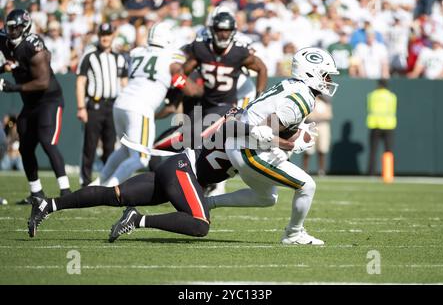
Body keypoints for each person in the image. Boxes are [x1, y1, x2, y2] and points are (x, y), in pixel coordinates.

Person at [26, 108, 288, 240]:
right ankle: (137, 220)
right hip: (184, 170)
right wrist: (284, 145)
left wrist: (285, 144)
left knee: (115, 194)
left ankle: (48, 204)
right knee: (199, 223)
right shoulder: (244, 128)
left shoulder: (251, 132)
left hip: (176, 169)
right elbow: (238, 135)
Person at [208, 47, 341, 245]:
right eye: (325, 75)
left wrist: (296, 131)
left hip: (241, 143)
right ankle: (294, 234)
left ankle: (207, 202)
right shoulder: (302, 99)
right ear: (310, 73)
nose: (328, 80)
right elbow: (263, 132)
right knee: (307, 185)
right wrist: (291, 144)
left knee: (266, 198)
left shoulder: (292, 85)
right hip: (248, 148)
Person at [91, 22, 198, 187]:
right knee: (141, 158)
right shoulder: (171, 57)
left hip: (121, 103)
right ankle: (107, 189)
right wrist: (196, 89)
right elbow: (186, 86)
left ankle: (98, 182)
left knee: (125, 150)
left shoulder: (137, 52)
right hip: (140, 107)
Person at [0, 9, 71, 203]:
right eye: (9, 28)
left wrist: (12, 87)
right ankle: (36, 193)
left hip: (49, 100)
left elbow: (43, 82)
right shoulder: (5, 41)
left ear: (25, 27)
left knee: (47, 142)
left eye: (16, 28)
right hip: (30, 103)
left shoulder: (33, 46)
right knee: (25, 147)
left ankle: (66, 191)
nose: (11, 32)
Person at [182, 11, 267, 149]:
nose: (223, 34)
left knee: (198, 140)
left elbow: (261, 68)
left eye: (227, 31)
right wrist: (180, 87)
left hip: (227, 105)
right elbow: (182, 73)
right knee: (187, 137)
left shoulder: (239, 51)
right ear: (212, 31)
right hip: (204, 102)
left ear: (233, 32)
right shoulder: (201, 48)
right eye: (220, 30)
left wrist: (260, 95)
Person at [76, 23, 129, 187]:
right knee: (90, 145)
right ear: (98, 36)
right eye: (102, 35)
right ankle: (85, 181)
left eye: (108, 34)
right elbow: (80, 82)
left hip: (113, 105)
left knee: (109, 145)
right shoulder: (90, 56)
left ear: (113, 36)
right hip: (95, 104)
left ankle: (108, 181)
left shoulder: (119, 58)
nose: (105, 38)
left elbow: (124, 83)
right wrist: (81, 107)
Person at [366, 79, 397, 176]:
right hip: (388, 125)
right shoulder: (391, 96)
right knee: (388, 151)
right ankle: (388, 174)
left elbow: (369, 107)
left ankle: (371, 173)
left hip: (375, 125)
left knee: (373, 151)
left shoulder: (372, 95)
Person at [302, 95, 333, 176]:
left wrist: (318, 117)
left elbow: (329, 115)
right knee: (308, 149)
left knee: (323, 149)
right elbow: (309, 115)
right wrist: (316, 117)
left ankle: (321, 171)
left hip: (323, 126)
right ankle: (305, 170)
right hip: (311, 126)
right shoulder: (310, 100)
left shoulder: (326, 102)